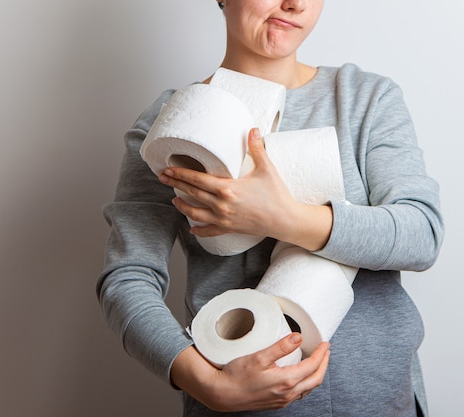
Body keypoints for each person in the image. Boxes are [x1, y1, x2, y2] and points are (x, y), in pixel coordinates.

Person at [96, 0, 444, 415]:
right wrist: (204, 382)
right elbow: (128, 277)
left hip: (382, 400)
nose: (293, 4)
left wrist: (281, 218)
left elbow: (422, 235)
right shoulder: (171, 126)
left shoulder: (364, 99)